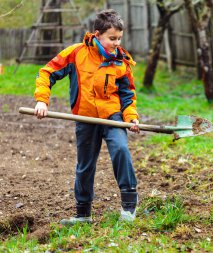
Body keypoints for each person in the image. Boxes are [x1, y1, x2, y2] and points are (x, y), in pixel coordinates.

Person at [34, 9, 140, 225]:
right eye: (112, 38)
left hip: (112, 116)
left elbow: (128, 94)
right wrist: (42, 101)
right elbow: (47, 72)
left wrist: (131, 117)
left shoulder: (121, 62)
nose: (116, 43)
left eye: (119, 38)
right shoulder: (76, 54)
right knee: (85, 165)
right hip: (85, 118)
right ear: (97, 34)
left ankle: (129, 205)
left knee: (120, 149)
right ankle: (83, 214)